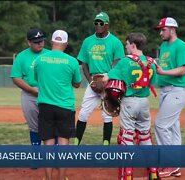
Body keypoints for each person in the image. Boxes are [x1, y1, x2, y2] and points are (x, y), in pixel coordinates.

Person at [103, 33, 158, 180]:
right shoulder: (151, 62)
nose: (126, 46)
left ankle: (127, 175)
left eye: (127, 44)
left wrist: (101, 80)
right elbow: (153, 80)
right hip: (144, 102)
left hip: (129, 102)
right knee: (145, 136)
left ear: (133, 44)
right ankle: (153, 172)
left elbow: (108, 78)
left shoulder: (125, 62)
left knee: (126, 138)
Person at [34, 30, 81, 180]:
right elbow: (77, 83)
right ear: (66, 44)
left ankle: (48, 178)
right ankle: (61, 178)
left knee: (48, 143)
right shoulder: (72, 61)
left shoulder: (40, 60)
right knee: (63, 143)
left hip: (45, 105)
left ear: (52, 42)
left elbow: (37, 78)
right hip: (65, 106)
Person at [75, 11, 125, 145]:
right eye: (96, 22)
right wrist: (91, 81)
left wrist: (106, 80)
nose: (98, 25)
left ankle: (105, 145)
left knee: (107, 115)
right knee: (83, 114)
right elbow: (84, 63)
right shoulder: (88, 41)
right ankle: (75, 144)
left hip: (108, 81)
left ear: (107, 25)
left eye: (101, 23)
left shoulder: (115, 42)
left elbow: (117, 63)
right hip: (93, 81)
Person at [153, 17, 185, 178]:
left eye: (163, 29)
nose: (161, 32)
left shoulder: (181, 46)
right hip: (167, 90)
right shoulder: (163, 46)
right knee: (173, 127)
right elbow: (164, 67)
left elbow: (183, 70)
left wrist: (162, 72)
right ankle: (174, 165)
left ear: (173, 29)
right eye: (160, 30)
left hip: (177, 90)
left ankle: (169, 163)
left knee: (161, 125)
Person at [10, 28, 50, 146]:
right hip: (29, 94)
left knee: (51, 125)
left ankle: (53, 156)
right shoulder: (22, 57)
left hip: (48, 94)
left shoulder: (50, 54)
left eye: (41, 41)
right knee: (34, 127)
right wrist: (31, 90)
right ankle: (36, 155)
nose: (40, 44)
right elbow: (16, 77)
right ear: (29, 42)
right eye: (36, 42)